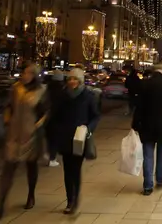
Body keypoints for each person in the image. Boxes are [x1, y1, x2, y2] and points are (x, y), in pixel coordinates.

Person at [0, 62, 47, 219]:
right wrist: (7, 120)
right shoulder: (16, 88)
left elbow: (45, 112)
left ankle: (31, 195)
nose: (25, 75)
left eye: (29, 73)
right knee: (8, 168)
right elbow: (8, 106)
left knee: (31, 166)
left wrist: (38, 125)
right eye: (24, 72)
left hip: (31, 136)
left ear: (35, 76)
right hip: (14, 135)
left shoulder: (41, 91)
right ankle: (0, 204)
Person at [49, 67, 100, 214]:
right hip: (65, 137)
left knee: (75, 169)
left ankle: (75, 199)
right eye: (70, 79)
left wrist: (88, 128)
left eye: (75, 79)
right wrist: (58, 129)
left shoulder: (88, 96)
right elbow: (55, 115)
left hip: (80, 138)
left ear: (80, 81)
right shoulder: (63, 95)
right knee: (67, 170)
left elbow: (95, 115)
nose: (72, 82)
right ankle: (69, 200)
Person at [132, 63, 162, 195]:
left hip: (146, 123)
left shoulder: (144, 84)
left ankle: (147, 186)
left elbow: (138, 106)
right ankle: (160, 180)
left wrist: (135, 124)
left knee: (148, 155)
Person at [44, 69, 66, 167]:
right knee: (55, 139)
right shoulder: (61, 90)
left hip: (47, 117)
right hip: (57, 118)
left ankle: (48, 154)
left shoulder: (47, 88)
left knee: (49, 137)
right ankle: (52, 158)